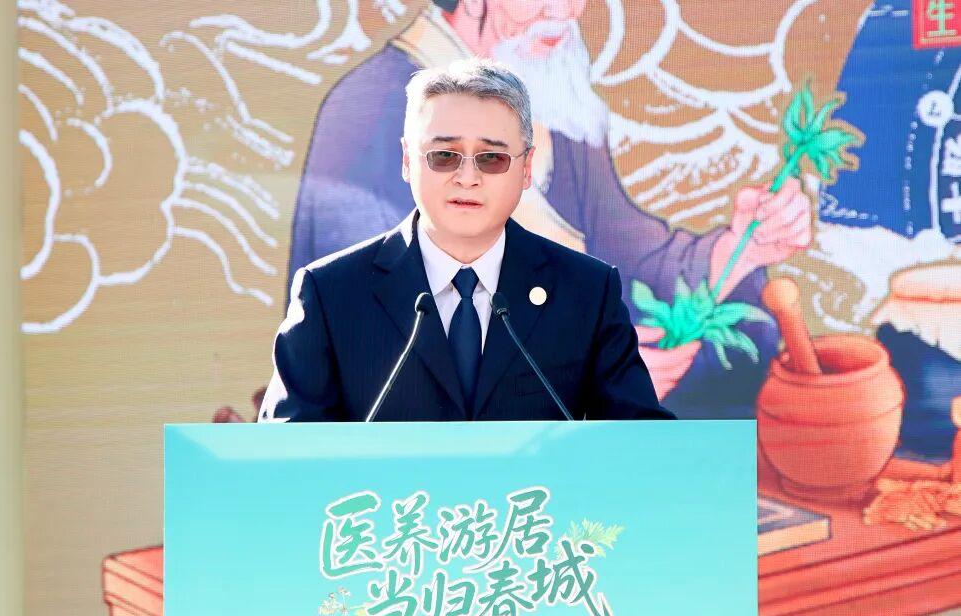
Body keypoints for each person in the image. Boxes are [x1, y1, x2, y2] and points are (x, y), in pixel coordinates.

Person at [289, 0, 812, 417]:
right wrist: (585, 387)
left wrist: (743, 247)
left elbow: (634, 261)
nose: (566, 13)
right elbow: (377, 355)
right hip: (431, 466)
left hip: (566, 440)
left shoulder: (548, 91)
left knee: (745, 346)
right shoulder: (371, 110)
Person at [258, 59, 674, 422]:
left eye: (491, 157)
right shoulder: (330, 293)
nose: (467, 177)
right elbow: (289, 450)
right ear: (407, 160)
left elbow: (639, 445)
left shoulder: (587, 293)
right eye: (445, 155)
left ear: (526, 168)